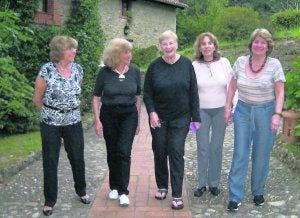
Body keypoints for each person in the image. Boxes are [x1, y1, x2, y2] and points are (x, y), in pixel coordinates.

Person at [224, 28, 285, 212]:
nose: (259, 45)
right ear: (251, 44)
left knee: (261, 155)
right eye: (256, 41)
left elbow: (280, 91)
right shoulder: (241, 62)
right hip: (243, 110)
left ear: (268, 46)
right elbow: (232, 86)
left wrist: (277, 114)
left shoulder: (274, 65)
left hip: (266, 112)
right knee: (240, 153)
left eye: (263, 42)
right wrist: (228, 107)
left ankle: (258, 191)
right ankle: (235, 196)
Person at [143, 30, 201, 210]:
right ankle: (162, 186)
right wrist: (151, 112)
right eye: (164, 44)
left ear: (176, 44)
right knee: (160, 152)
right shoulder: (154, 66)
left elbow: (193, 92)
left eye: (171, 43)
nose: (168, 47)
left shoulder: (186, 65)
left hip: (181, 118)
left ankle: (176, 194)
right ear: (160, 46)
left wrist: (196, 117)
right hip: (159, 119)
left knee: (176, 152)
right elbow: (147, 93)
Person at [33, 35, 90, 216]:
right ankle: (50, 201)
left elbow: (75, 94)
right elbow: (37, 98)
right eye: (70, 48)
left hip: (73, 120)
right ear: (59, 52)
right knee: (50, 160)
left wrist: (69, 108)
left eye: (74, 48)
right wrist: (51, 113)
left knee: (77, 157)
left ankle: (81, 191)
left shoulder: (78, 70)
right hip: (51, 122)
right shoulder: (46, 70)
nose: (74, 51)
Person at [92, 38, 142, 207]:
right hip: (109, 115)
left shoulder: (135, 71)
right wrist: (97, 120)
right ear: (116, 54)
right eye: (125, 52)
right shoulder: (104, 73)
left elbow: (138, 97)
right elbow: (96, 97)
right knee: (112, 151)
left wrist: (138, 120)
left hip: (129, 115)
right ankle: (113, 186)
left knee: (123, 151)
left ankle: (123, 191)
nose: (129, 55)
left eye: (129, 51)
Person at [192, 32, 237, 198]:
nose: (207, 46)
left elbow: (233, 86)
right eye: (203, 43)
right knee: (202, 147)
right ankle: (202, 183)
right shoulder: (194, 65)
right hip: (201, 112)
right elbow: (191, 91)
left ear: (215, 45)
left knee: (216, 148)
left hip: (220, 111)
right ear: (200, 47)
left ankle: (214, 183)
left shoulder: (224, 63)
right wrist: (192, 115)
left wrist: (231, 108)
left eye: (210, 43)